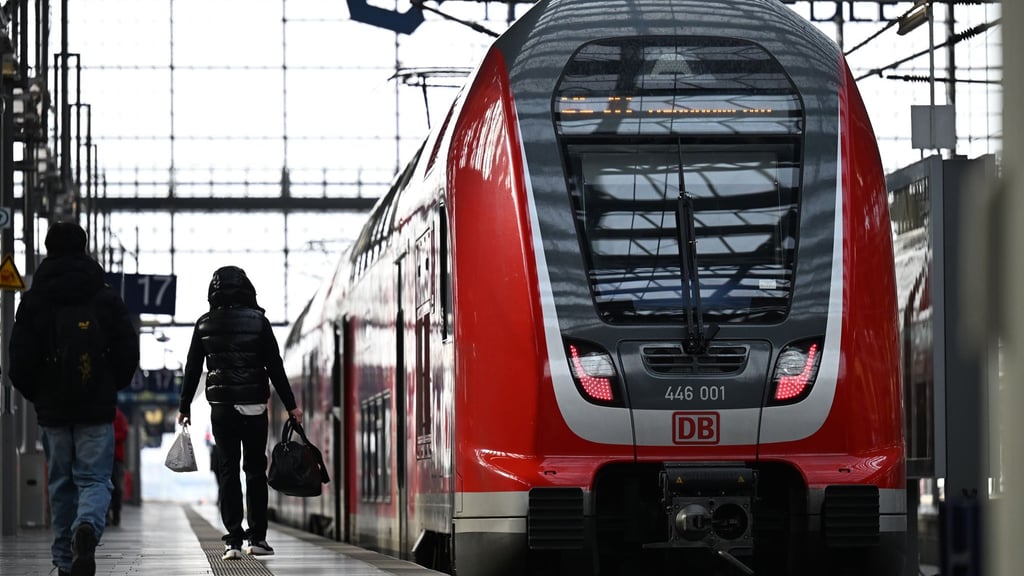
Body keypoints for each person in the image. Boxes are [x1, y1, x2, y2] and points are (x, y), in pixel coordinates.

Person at [9, 221, 140, 576]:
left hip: (53, 411)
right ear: (85, 249)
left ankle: (66, 562)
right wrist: (109, 384)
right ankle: (87, 528)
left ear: (48, 250)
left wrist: (39, 395)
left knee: (61, 482)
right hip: (96, 409)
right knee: (95, 479)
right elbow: (128, 350)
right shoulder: (104, 294)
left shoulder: (34, 299)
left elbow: (18, 361)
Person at [176, 265, 303, 561]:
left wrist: (184, 407)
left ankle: (233, 540)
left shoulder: (204, 324)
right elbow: (275, 367)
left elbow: (193, 368)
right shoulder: (259, 322)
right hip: (254, 407)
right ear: (247, 288)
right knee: (255, 470)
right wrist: (290, 404)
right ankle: (257, 538)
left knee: (228, 471)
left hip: (221, 409)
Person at [108, 406, 129, 527]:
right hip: (104, 456)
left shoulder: (118, 415)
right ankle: (106, 516)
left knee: (116, 487)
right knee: (105, 486)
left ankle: (116, 515)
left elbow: (124, 433)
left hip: (116, 457)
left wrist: (109, 438)